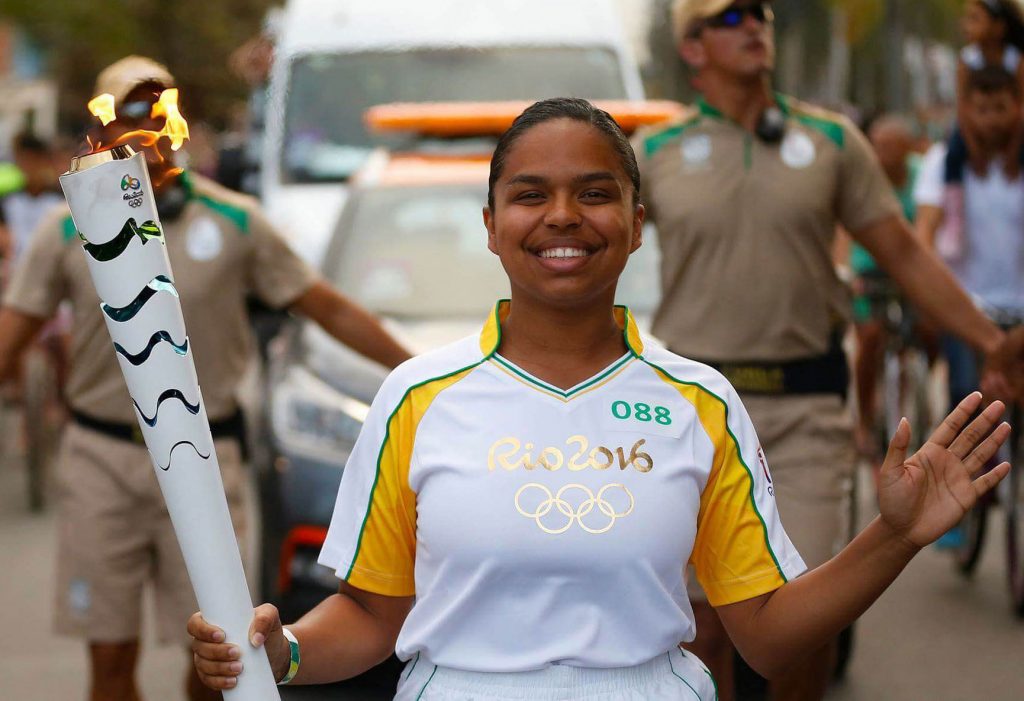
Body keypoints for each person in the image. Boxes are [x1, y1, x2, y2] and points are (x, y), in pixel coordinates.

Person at [186, 97, 1012, 701]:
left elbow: (766, 631)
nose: (562, 218)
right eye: (530, 194)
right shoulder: (418, 397)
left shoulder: (699, 401)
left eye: (594, 192)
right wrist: (282, 650)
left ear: (636, 219)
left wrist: (893, 536)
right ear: (491, 222)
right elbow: (371, 614)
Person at [635, 2, 1022, 699]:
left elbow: (902, 250)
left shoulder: (832, 140)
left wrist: (993, 341)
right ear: (692, 48)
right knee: (701, 629)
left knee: (801, 622)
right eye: (731, 16)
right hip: (690, 414)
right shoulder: (654, 153)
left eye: (762, 13)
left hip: (804, 410)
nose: (755, 23)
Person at [0, 56, 412, 701]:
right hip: (100, 458)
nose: (147, 131)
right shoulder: (66, 227)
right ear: (106, 128)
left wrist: (419, 373)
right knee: (109, 660)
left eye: (156, 113)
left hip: (205, 458)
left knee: (220, 663)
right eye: (129, 116)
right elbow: (14, 331)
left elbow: (324, 305)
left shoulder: (237, 220)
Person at [916, 65, 1024, 548]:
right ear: (966, 110)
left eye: (1001, 106)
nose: (990, 119)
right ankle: (956, 500)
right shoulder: (945, 162)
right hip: (968, 309)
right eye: (980, 108)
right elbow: (923, 237)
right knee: (969, 399)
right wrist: (931, 297)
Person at [850, 116, 924, 460]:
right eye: (876, 145)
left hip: (908, 267)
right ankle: (864, 420)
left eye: (888, 146)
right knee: (869, 336)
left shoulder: (922, 176)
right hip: (868, 269)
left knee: (925, 332)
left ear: (908, 148)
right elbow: (842, 229)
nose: (880, 153)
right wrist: (848, 272)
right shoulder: (862, 173)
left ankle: (910, 395)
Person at [940, 0, 1024, 260]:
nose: (967, 26)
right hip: (970, 131)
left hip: (1016, 129)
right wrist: (973, 147)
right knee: (952, 154)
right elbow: (963, 108)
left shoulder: (1015, 59)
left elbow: (1021, 106)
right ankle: (954, 220)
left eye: (975, 19)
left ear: (998, 27)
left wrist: (1013, 151)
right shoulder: (967, 59)